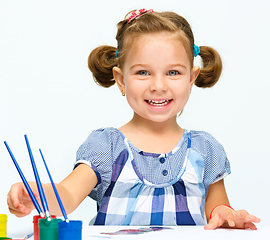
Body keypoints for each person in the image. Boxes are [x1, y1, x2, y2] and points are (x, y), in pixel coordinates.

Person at [7, 9, 260, 230]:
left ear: (192, 78)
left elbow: (217, 209)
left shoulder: (206, 149)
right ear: (121, 80)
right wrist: (37, 194)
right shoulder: (106, 146)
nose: (158, 86)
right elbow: (67, 195)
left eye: (173, 72)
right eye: (143, 72)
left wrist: (226, 215)